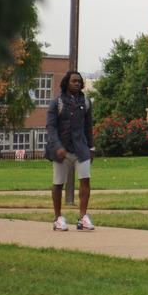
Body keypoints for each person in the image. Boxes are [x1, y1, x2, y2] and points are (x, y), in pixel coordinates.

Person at [45, 70, 94, 231]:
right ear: (66, 83)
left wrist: (91, 147)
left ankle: (82, 218)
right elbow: (51, 128)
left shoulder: (85, 102)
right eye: (74, 81)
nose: (77, 83)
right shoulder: (56, 102)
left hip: (81, 149)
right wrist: (57, 146)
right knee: (58, 183)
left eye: (79, 81)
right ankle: (58, 217)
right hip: (62, 150)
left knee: (85, 180)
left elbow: (88, 127)